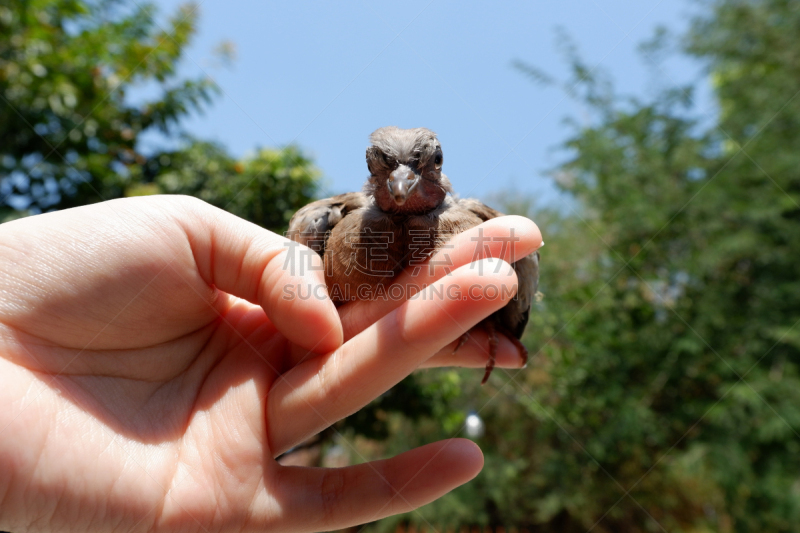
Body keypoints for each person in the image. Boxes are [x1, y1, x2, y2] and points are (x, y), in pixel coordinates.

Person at [0, 195, 542, 532]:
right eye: (385, 168)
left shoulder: (469, 224)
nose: (402, 182)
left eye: (423, 168)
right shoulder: (328, 223)